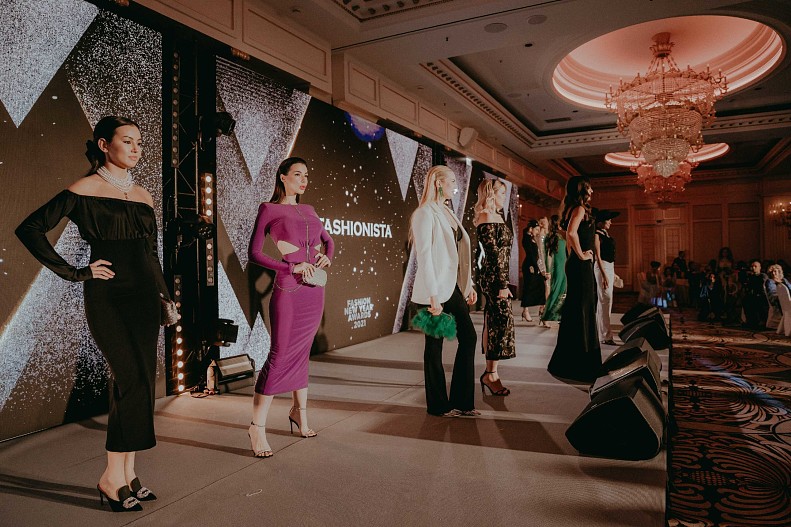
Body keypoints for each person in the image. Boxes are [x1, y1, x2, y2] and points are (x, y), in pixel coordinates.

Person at [16, 116, 171, 512]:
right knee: (129, 378)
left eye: (139, 142)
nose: (136, 149)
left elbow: (151, 255)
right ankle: (110, 477)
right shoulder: (83, 190)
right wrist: (76, 272)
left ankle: (129, 474)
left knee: (141, 381)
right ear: (104, 145)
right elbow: (30, 228)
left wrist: (166, 298)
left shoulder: (144, 196)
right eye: (127, 141)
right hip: (109, 297)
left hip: (144, 299)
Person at [247, 157, 334, 457]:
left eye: (306, 175)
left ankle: (300, 413)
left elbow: (329, 241)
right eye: (297, 174)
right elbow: (254, 253)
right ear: (282, 177)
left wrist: (327, 256)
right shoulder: (268, 209)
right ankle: (256, 427)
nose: (303, 180)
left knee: (302, 353)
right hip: (288, 288)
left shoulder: (310, 209)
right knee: (280, 354)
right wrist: (289, 267)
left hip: (314, 290)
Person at [410, 165, 479, 417]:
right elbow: (425, 257)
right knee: (434, 346)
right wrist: (433, 297)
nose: (455, 187)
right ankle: (438, 406)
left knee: (469, 338)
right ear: (438, 183)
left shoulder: (447, 212)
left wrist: (468, 285)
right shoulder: (424, 213)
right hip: (435, 291)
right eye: (451, 181)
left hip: (453, 288)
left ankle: (462, 402)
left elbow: (458, 254)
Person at [547, 176, 601, 383]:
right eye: (589, 188)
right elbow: (571, 233)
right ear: (582, 190)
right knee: (584, 308)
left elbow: (568, 234)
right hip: (580, 265)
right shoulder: (578, 209)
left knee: (577, 309)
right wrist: (581, 255)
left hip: (576, 265)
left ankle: (570, 361)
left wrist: (574, 255)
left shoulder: (572, 209)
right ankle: (583, 363)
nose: (592, 191)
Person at [473, 179, 515, 396]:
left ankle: (492, 373)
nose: (504, 198)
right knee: (498, 323)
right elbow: (493, 254)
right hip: (493, 279)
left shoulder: (497, 216)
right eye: (501, 193)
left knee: (497, 323)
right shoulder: (486, 216)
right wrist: (502, 284)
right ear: (491, 194)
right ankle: (491, 374)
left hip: (500, 277)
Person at [593, 208, 619, 345]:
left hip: (609, 267)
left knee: (605, 302)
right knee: (605, 300)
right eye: (608, 220)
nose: (610, 222)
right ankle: (606, 336)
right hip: (601, 267)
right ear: (601, 222)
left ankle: (601, 334)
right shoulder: (597, 235)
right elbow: (597, 256)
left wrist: (612, 273)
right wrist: (604, 275)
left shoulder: (605, 234)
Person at [541, 215, 566, 326]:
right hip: (557, 267)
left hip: (565, 265)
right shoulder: (549, 237)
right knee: (555, 291)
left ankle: (559, 315)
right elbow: (546, 255)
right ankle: (546, 316)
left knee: (563, 291)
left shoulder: (562, 235)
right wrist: (547, 270)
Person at [520, 219, 546, 322]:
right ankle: (525, 311)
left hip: (534, 265)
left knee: (541, 286)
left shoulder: (532, 238)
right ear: (531, 229)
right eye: (536, 229)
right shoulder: (526, 238)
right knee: (528, 287)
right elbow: (530, 255)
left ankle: (542, 310)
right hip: (529, 266)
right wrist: (535, 267)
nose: (538, 231)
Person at [742, 259, 768, 329]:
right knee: (746, 300)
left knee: (757, 300)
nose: (753, 268)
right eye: (752, 266)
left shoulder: (763, 276)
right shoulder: (751, 276)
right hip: (753, 295)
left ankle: (761, 321)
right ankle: (751, 321)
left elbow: (761, 287)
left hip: (762, 295)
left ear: (760, 267)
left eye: (755, 266)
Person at [765, 263, 791, 328]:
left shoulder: (784, 280)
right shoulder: (770, 281)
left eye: (775, 271)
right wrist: (782, 297)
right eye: (772, 272)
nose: (773, 273)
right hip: (777, 300)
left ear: (779, 272)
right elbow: (773, 293)